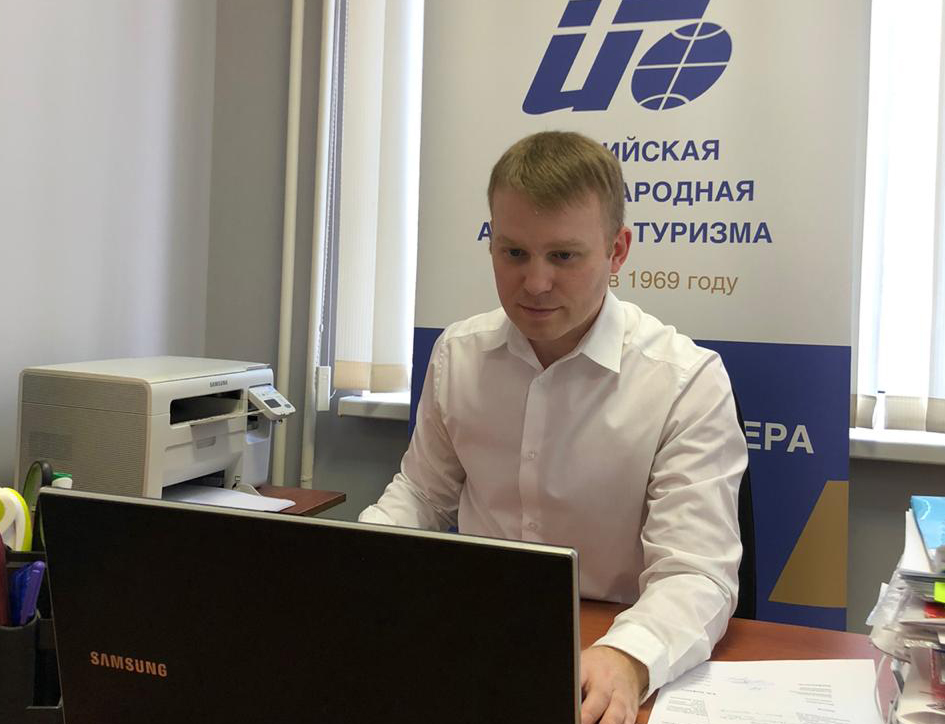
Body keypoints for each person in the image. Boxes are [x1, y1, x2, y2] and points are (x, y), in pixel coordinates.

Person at [360, 130, 747, 724]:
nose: (535, 283)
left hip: (612, 639)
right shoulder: (458, 354)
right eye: (514, 253)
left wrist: (628, 656)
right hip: (471, 637)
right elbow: (422, 495)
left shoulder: (685, 381)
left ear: (617, 252)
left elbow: (696, 571)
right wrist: (351, 566)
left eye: (563, 256)